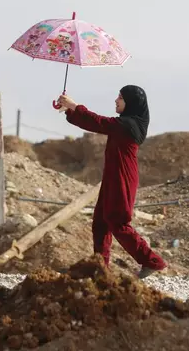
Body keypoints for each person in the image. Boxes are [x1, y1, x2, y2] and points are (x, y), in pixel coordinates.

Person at [58, 85, 167, 279]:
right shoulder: (125, 123)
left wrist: (74, 106)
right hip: (112, 177)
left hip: (122, 178)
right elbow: (95, 123)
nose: (116, 100)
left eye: (120, 98)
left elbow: (98, 122)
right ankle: (100, 268)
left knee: (118, 222)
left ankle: (153, 262)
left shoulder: (128, 126)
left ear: (131, 103)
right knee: (100, 223)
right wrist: (69, 110)